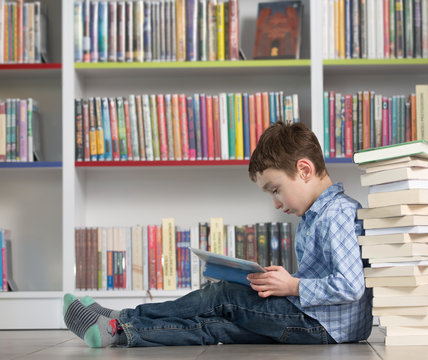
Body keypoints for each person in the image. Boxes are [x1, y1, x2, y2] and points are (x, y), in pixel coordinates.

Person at [63, 121, 372, 348]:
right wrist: (285, 284)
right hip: (322, 323)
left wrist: (292, 285)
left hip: (324, 325)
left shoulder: (337, 214)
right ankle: (118, 331)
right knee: (218, 327)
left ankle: (123, 315)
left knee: (222, 295)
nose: (276, 203)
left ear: (304, 170)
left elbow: (351, 286)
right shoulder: (314, 215)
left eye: (275, 190)